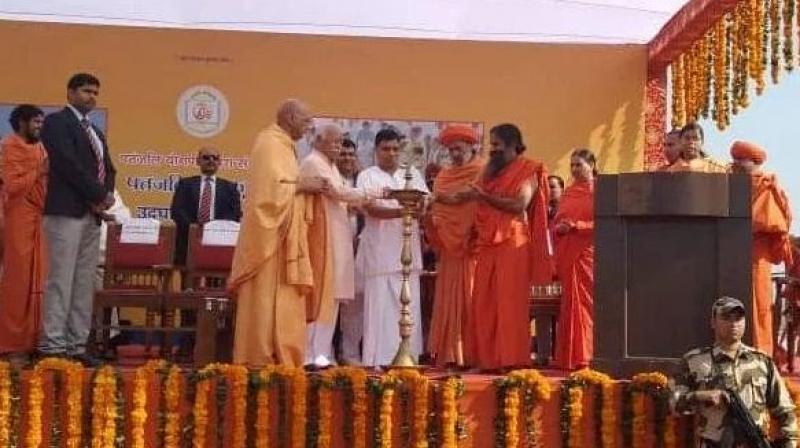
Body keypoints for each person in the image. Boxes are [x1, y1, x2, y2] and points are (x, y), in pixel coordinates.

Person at [228, 99, 327, 367]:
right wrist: (303, 184)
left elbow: (284, 185)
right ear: (291, 117)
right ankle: (260, 356)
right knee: (264, 299)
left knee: (283, 299)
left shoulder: (285, 145)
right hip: (269, 241)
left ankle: (283, 355)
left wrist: (302, 186)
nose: (309, 128)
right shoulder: (270, 143)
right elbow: (267, 193)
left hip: (285, 239)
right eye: (306, 121)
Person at [39, 73, 116, 365]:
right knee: (61, 280)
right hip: (65, 212)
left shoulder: (95, 131)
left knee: (84, 283)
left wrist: (105, 195)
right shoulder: (57, 123)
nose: (91, 97)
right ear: (70, 93)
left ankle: (76, 345)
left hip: (90, 216)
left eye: (96, 92)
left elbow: (108, 168)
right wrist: (97, 195)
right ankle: (53, 345)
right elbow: (67, 165)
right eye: (86, 91)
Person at [465, 123, 552, 370]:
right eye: (490, 144)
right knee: (483, 301)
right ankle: (487, 360)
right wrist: (438, 199)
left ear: (513, 145)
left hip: (513, 243)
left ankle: (511, 360)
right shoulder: (489, 172)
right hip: (487, 243)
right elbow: (470, 195)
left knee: (509, 303)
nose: (492, 150)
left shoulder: (528, 170)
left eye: (496, 145)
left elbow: (518, 204)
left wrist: (484, 197)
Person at [671, 296, 797, 447]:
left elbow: (785, 410)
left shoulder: (762, 362)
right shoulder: (694, 361)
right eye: (726, 318)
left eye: (738, 319)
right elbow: (673, 404)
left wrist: (789, 443)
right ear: (713, 323)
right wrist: (701, 396)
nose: (734, 324)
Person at [299, 124, 374, 367]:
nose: (339, 148)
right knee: (320, 297)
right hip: (322, 240)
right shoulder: (313, 162)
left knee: (331, 301)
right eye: (335, 143)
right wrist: (371, 193)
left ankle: (321, 354)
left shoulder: (328, 164)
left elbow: (338, 196)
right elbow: (337, 192)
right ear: (319, 141)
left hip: (336, 239)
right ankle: (310, 355)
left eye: (341, 143)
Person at [356, 128, 429, 367]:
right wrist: (403, 211)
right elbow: (371, 209)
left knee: (408, 308)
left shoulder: (411, 174)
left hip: (408, 253)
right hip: (379, 254)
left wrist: (419, 207)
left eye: (395, 149)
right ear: (376, 151)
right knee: (380, 312)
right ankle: (376, 361)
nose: (391, 153)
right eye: (386, 149)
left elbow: (424, 203)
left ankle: (408, 358)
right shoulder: (367, 176)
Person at [425, 124, 483, 367]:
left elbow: (475, 202)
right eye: (451, 150)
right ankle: (451, 354)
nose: (455, 154)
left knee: (473, 299)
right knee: (449, 300)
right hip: (450, 248)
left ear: (471, 147)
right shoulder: (444, 176)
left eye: (459, 149)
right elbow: (439, 210)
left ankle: (474, 354)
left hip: (474, 247)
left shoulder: (482, 171)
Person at [730, 140, 792, 355]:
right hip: (731, 250)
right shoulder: (731, 184)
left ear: (754, 162)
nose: (735, 163)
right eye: (734, 159)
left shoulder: (765, 185)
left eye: (741, 159)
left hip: (757, 256)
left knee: (758, 304)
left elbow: (769, 222)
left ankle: (760, 354)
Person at [0, 105, 48, 360]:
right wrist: (40, 171)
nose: (40, 126)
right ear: (21, 122)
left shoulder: (40, 147)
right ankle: (12, 344)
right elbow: (13, 186)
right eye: (36, 122)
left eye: (42, 122)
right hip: (18, 217)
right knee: (18, 283)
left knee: (39, 281)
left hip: (41, 218)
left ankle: (36, 341)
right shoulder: (9, 146)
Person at [553, 148, 596, 370]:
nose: (574, 169)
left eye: (579, 164)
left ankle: (587, 355)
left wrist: (577, 226)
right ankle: (568, 357)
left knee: (587, 306)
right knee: (569, 306)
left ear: (592, 165)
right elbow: (556, 221)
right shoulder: (568, 193)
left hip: (588, 254)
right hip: (568, 253)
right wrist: (559, 228)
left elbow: (604, 224)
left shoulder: (599, 190)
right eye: (572, 165)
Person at [170, 146, 242, 266]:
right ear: (198, 161)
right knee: (188, 279)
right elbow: (177, 210)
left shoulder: (229, 187)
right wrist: (195, 228)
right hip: (189, 237)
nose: (211, 160)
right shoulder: (185, 184)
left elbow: (235, 213)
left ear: (219, 162)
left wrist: (214, 228)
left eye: (215, 158)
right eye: (206, 157)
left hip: (219, 238)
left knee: (215, 277)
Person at [337, 138, 366, 365]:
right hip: (332, 251)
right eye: (343, 154)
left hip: (358, 252)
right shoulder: (329, 181)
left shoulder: (363, 181)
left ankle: (350, 354)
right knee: (329, 304)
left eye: (350, 154)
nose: (347, 158)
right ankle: (322, 352)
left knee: (354, 305)